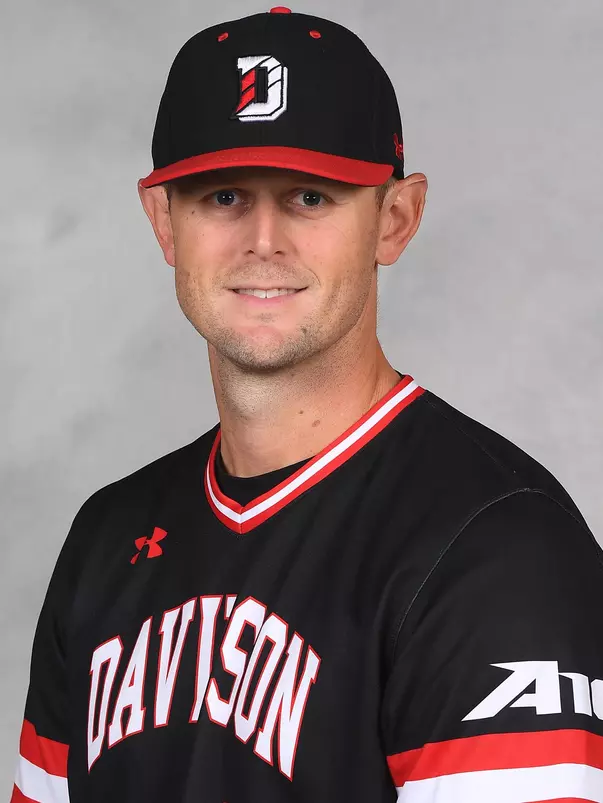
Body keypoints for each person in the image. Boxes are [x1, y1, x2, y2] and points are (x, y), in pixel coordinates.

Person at [11, 7, 603, 803]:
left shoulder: (496, 546)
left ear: (393, 220)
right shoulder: (106, 539)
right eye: (223, 195)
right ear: (164, 222)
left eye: (310, 197)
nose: (263, 239)